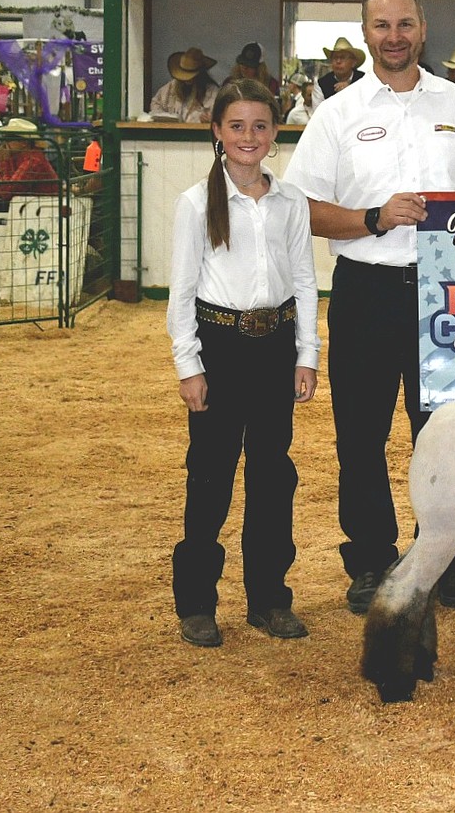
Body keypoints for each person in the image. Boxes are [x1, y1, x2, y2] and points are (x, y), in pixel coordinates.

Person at [283, 0, 455, 615]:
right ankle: (370, 559)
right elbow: (301, 208)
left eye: (404, 23)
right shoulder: (337, 113)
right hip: (366, 289)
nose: (393, 36)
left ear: (423, 28)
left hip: (445, 294)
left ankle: (444, 559)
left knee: (448, 435)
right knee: (361, 436)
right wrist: (374, 218)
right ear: (366, 34)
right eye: (381, 25)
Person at [166, 78, 321, 649]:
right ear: (217, 132)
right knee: (210, 475)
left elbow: (304, 280)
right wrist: (189, 365)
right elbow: (181, 292)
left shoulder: (291, 201)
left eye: (260, 126)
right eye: (237, 126)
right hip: (220, 347)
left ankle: (270, 598)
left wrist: (307, 355)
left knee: (273, 474)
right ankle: (198, 603)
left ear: (274, 133)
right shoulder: (195, 203)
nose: (248, 136)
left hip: (275, 346)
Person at [150, 47, 219, 123]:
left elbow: (220, 117)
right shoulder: (171, 87)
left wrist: (211, 120)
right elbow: (156, 104)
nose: (187, 80)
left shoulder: (212, 92)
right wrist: (164, 118)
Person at [310, 37, 366, 112]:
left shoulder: (365, 80)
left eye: (342, 58)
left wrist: (350, 92)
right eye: (335, 58)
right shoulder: (322, 84)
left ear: (353, 63)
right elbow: (318, 114)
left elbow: (369, 108)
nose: (338, 61)